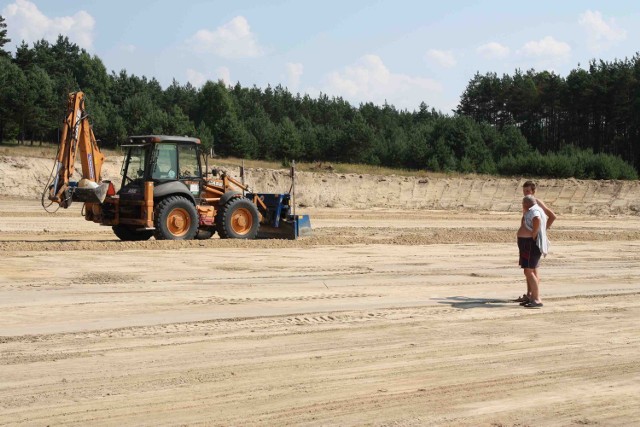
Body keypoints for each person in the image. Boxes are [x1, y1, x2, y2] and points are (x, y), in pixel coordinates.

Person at [517, 195, 548, 308]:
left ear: (525, 204)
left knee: (529, 272)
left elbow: (537, 219)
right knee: (529, 271)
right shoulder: (536, 209)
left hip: (529, 244)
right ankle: (532, 297)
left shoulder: (534, 211)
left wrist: (534, 233)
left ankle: (536, 299)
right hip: (528, 244)